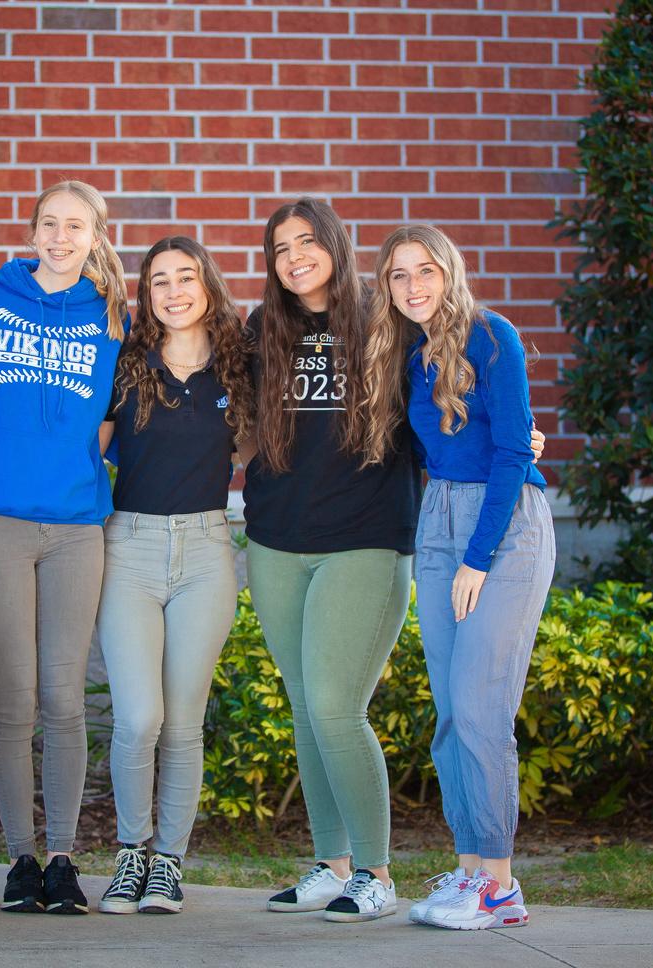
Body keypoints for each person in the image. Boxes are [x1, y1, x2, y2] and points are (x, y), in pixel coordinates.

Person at [364, 224, 556, 930]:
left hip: (503, 531)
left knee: (480, 707)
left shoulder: (492, 336)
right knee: (451, 712)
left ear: (450, 273)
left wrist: (477, 557)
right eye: (398, 274)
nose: (413, 286)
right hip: (438, 522)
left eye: (426, 271)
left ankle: (500, 887)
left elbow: (509, 454)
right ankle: (470, 868)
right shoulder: (408, 355)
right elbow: (429, 450)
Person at [0, 180, 126, 915]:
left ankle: (62, 859)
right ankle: (21, 858)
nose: (60, 237)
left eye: (75, 227)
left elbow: (114, 418)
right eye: (49, 224)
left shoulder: (111, 317)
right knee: (14, 698)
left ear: (95, 237)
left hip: (77, 528)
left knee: (64, 698)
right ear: (31, 232)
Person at [240, 198, 421, 923]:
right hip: (276, 540)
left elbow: (447, 394)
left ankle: (376, 873)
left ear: (337, 246)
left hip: (365, 537)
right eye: (281, 248)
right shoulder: (264, 328)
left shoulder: (387, 321)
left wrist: (518, 438)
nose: (295, 257)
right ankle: (331, 864)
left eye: (308, 242)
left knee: (337, 708)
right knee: (305, 707)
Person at [92, 238, 256, 915]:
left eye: (186, 277)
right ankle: (131, 854)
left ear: (208, 285)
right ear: (146, 294)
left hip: (207, 552)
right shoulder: (126, 365)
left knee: (184, 724)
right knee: (138, 718)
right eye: (159, 280)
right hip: (128, 549)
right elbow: (83, 447)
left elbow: (279, 443)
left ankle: (168, 864)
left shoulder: (239, 368)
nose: (174, 291)